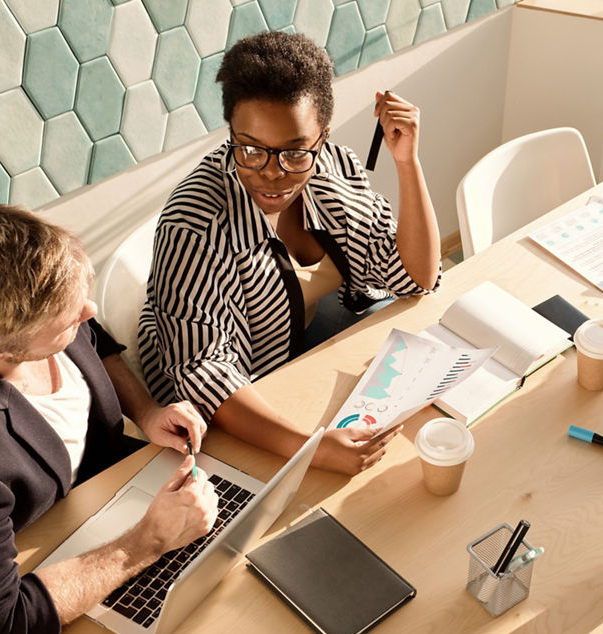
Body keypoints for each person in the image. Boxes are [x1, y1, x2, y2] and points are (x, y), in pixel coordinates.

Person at [139, 32, 437, 474]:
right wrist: (311, 448)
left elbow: (415, 277)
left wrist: (407, 163)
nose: (272, 174)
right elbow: (204, 371)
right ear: (231, 135)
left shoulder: (333, 165)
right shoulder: (194, 224)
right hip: (226, 399)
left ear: (323, 138)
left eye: (296, 152)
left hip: (298, 344)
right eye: (251, 149)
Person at [0, 203, 217, 634]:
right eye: (68, 319)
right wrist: (148, 541)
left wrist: (147, 411)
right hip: (66, 564)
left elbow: (96, 338)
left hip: (120, 495)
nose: (90, 312)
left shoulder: (41, 312)